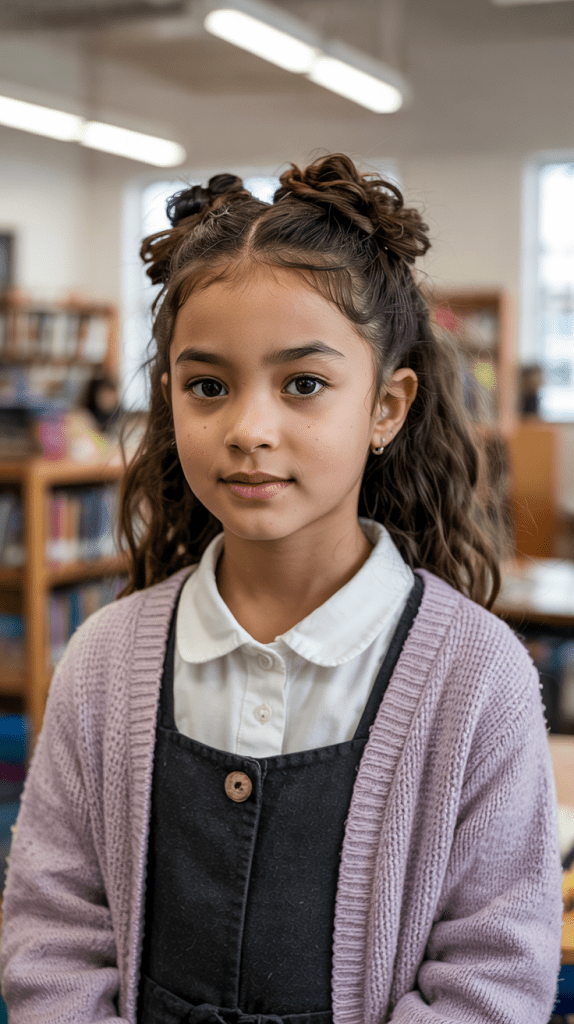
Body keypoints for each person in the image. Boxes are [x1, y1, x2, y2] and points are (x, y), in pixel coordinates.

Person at [0, 153, 564, 1023]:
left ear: (386, 407)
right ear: (169, 400)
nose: (249, 429)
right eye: (208, 386)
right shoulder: (105, 660)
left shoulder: (478, 676)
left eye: (304, 384)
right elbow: (53, 937)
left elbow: (492, 976)